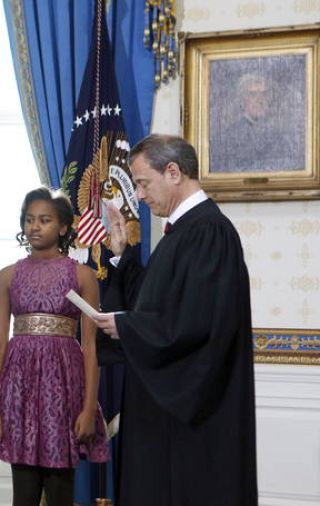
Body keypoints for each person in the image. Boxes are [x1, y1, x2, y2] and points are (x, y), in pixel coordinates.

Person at [94, 134, 258, 506]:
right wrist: (122, 256)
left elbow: (196, 322)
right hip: (163, 412)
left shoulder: (208, 232)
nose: (138, 195)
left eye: (142, 183)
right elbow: (157, 304)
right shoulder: (183, 232)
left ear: (173, 172)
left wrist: (127, 326)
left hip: (190, 419)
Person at [0, 187, 109, 506]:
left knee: (59, 492)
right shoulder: (8, 276)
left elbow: (91, 348)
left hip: (64, 394)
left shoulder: (82, 276)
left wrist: (88, 408)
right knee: (23, 492)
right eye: (28, 220)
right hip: (19, 390)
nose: (34, 227)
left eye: (44, 220)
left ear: (64, 227)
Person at [209, 71, 301, 173]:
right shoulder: (229, 135)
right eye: (253, 94)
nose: (259, 99)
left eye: (263, 94)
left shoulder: (277, 134)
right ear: (242, 99)